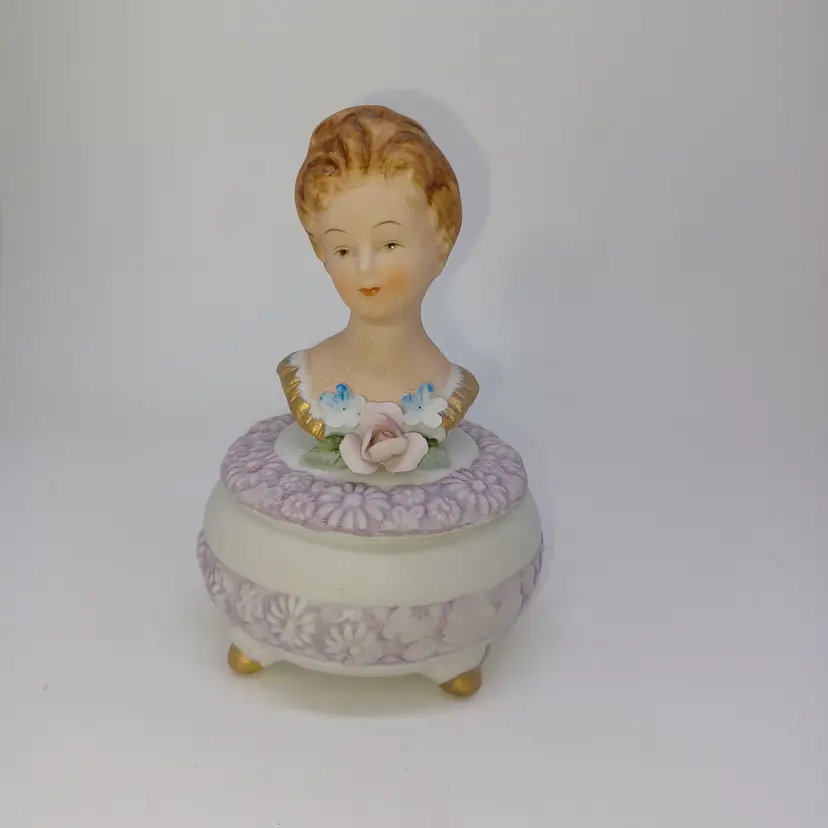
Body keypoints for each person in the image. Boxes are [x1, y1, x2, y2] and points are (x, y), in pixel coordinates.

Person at [278, 105, 478, 474]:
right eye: (343, 250)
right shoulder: (305, 377)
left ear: (441, 242)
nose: (365, 268)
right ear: (322, 253)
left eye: (389, 244)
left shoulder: (449, 387)